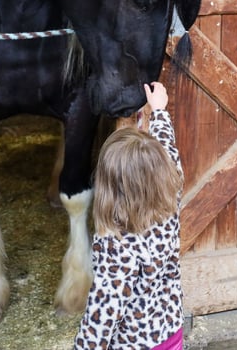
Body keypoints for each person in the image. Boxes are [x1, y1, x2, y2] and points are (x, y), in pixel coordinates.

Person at [73, 81, 184, 350]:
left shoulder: (116, 244)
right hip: (172, 332)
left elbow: (101, 315)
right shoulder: (170, 200)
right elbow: (168, 151)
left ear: (108, 188)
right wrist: (159, 111)